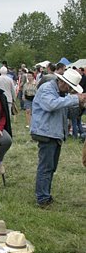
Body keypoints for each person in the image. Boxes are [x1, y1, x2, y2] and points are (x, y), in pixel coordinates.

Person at [30, 68, 86, 208]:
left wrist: (80, 105)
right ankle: (42, 198)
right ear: (62, 81)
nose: (69, 90)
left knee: (51, 167)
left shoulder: (62, 94)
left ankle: (45, 195)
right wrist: (74, 98)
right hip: (46, 132)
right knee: (46, 167)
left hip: (55, 133)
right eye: (69, 86)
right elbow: (50, 105)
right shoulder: (47, 88)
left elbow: (70, 114)